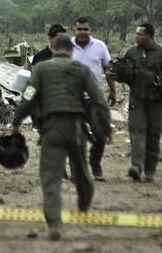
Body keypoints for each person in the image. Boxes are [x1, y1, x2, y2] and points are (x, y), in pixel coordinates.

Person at [12, 37, 111, 241]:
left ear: (52, 48)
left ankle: (55, 224)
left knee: (50, 177)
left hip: (52, 128)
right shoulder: (81, 70)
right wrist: (105, 127)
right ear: (72, 50)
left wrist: (17, 119)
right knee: (82, 173)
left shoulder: (41, 69)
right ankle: (83, 206)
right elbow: (99, 99)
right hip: (76, 128)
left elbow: (29, 95)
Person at [113, 23, 162, 182]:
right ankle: (136, 166)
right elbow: (125, 73)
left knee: (153, 136)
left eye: (140, 34)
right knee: (136, 132)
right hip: (137, 99)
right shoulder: (132, 53)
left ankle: (150, 171)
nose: (136, 37)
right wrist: (117, 73)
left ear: (149, 36)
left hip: (156, 101)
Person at [71, 17, 115, 181]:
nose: (82, 32)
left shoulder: (100, 46)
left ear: (90, 30)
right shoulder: (68, 47)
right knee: (75, 137)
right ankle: (76, 172)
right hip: (74, 100)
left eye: (85, 29)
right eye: (79, 29)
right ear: (74, 30)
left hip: (94, 99)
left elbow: (108, 69)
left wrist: (113, 91)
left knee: (100, 133)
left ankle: (95, 163)